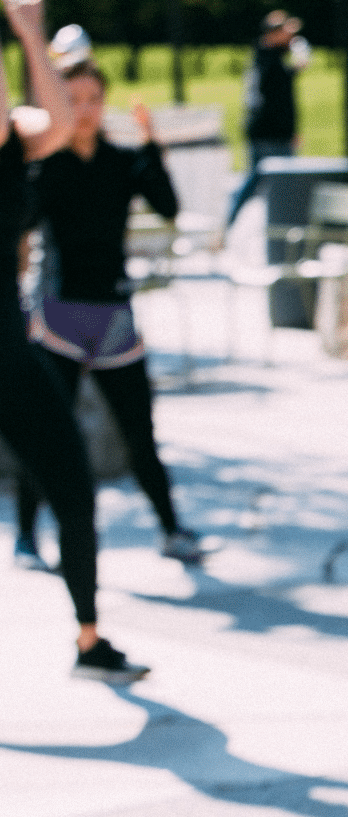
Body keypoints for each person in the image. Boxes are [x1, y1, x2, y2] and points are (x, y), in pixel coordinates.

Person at [0, 0, 147, 682]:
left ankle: (89, 640)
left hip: (8, 353)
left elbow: (55, 117)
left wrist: (31, 31)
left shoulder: (18, 143)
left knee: (73, 484)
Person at [15, 49, 212, 566]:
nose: (83, 110)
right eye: (72, 100)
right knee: (47, 436)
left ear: (104, 104)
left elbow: (168, 206)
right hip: (58, 316)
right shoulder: (46, 166)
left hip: (113, 318)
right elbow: (19, 222)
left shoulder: (122, 162)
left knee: (139, 434)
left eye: (92, 100)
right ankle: (25, 536)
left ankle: (172, 529)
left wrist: (152, 143)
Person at [225, 10, 308, 228]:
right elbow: (277, 100)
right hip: (271, 133)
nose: (290, 38)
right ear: (274, 33)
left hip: (265, 130)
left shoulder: (264, 57)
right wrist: (289, 132)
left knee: (256, 181)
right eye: (286, 32)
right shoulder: (269, 60)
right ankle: (283, 227)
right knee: (276, 183)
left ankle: (229, 222)